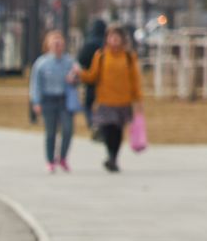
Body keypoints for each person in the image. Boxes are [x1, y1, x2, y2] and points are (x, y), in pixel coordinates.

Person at [77, 24, 142, 172]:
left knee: (118, 131)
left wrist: (138, 99)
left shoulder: (129, 57)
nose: (114, 40)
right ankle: (110, 155)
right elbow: (93, 75)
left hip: (123, 100)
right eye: (111, 37)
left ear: (122, 40)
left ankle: (113, 158)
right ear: (107, 39)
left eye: (117, 38)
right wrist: (81, 74)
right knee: (108, 128)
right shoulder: (101, 56)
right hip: (105, 99)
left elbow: (135, 80)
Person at [28, 29, 82, 172]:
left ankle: (62, 157)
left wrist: (75, 77)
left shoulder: (70, 61)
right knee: (50, 132)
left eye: (60, 41)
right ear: (48, 44)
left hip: (64, 100)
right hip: (48, 100)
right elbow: (36, 84)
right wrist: (36, 102)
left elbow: (79, 81)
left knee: (68, 129)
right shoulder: (42, 63)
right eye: (54, 41)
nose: (58, 44)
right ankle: (50, 160)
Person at [76, 17, 107, 134]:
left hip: (90, 79)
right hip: (104, 80)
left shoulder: (89, 43)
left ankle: (92, 123)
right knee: (102, 105)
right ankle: (99, 125)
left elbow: (81, 59)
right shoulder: (105, 44)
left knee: (88, 104)